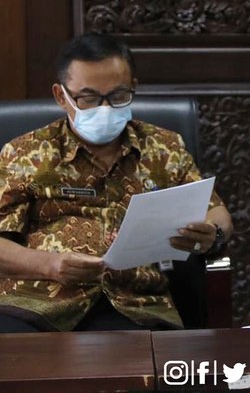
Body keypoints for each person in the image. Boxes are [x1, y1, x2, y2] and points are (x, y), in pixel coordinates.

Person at [0, 34, 233, 332]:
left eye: (119, 95)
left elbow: (216, 211)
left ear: (133, 87)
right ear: (61, 96)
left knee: (139, 356)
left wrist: (213, 234)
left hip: (135, 303)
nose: (106, 108)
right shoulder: (25, 153)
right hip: (37, 302)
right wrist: (50, 265)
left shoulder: (164, 148)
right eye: (89, 98)